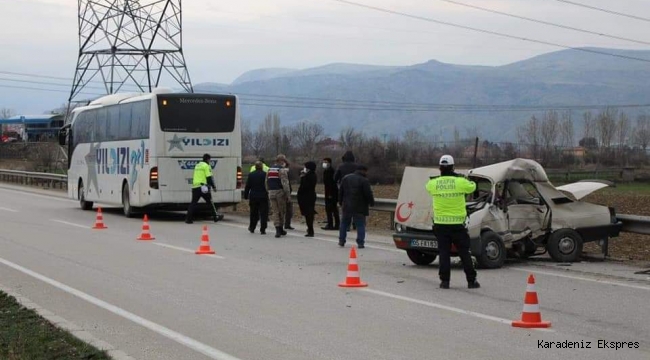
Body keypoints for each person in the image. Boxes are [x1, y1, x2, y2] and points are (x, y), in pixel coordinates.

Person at [425, 155, 480, 290]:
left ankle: (445, 282)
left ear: (440, 168)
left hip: (440, 225)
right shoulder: (460, 181)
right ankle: (471, 281)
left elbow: (428, 187)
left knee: (444, 253)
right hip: (458, 225)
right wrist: (461, 178)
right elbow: (473, 187)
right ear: (453, 167)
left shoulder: (433, 184)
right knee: (464, 253)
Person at [338, 164, 374, 248]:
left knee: (344, 223)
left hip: (346, 206)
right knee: (360, 225)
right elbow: (368, 194)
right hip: (360, 206)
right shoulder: (364, 180)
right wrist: (371, 202)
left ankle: (341, 240)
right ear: (364, 171)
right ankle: (360, 242)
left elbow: (341, 191)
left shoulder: (345, 178)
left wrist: (340, 202)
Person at [185, 153, 219, 224]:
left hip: (195, 187)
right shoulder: (206, 166)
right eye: (209, 160)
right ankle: (215, 217)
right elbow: (209, 178)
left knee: (193, 203)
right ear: (207, 159)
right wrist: (213, 187)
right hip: (203, 187)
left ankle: (188, 219)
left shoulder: (197, 165)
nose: (209, 161)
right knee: (210, 202)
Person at [267, 154, 291, 238]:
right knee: (281, 211)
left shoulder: (270, 169)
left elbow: (266, 181)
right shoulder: (281, 170)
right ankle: (280, 228)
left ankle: (277, 228)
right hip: (279, 192)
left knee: (275, 211)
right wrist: (288, 195)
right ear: (282, 161)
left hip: (271, 192)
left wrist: (268, 190)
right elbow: (285, 184)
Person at [334, 150, 358, 231]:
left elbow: (335, 178)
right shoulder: (357, 166)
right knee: (356, 207)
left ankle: (347, 225)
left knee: (345, 208)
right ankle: (356, 224)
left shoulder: (341, 166)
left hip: (344, 190)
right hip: (356, 189)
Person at [244, 161, 269, 234]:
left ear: (255, 167)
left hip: (253, 196)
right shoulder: (265, 175)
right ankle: (263, 229)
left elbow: (248, 186)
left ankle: (252, 227)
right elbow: (268, 185)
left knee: (253, 213)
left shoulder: (251, 175)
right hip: (263, 196)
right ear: (261, 167)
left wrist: (245, 195)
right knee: (263, 213)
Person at [297, 161, 318, 237]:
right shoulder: (308, 175)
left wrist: (303, 177)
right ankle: (309, 228)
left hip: (308, 197)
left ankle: (310, 230)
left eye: (306, 167)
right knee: (307, 214)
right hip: (306, 196)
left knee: (309, 214)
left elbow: (305, 186)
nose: (304, 168)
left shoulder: (311, 176)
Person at [321, 157, 340, 230]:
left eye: (326, 162)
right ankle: (332, 224)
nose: (324, 163)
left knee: (331, 209)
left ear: (329, 163)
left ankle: (333, 224)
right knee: (331, 209)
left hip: (331, 193)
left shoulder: (331, 171)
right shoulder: (326, 171)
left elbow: (331, 183)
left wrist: (330, 194)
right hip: (328, 192)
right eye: (324, 162)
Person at [284, 160, 295, 230]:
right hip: (282, 193)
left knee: (289, 210)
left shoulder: (287, 174)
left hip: (287, 193)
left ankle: (287, 224)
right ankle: (283, 225)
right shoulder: (281, 173)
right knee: (284, 210)